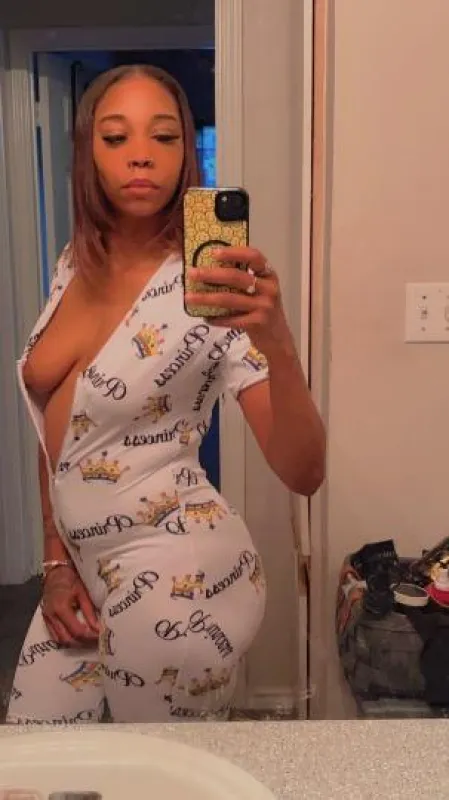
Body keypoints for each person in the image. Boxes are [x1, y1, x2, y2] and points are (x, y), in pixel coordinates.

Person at [7, 64, 325, 725]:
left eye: (164, 135)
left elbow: (304, 472)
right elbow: (59, 433)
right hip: (86, 569)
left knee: (156, 769)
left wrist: (277, 341)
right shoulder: (75, 260)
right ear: (87, 153)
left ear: (186, 152)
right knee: (34, 760)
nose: (141, 155)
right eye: (115, 137)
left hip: (182, 572)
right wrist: (55, 560)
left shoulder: (209, 281)